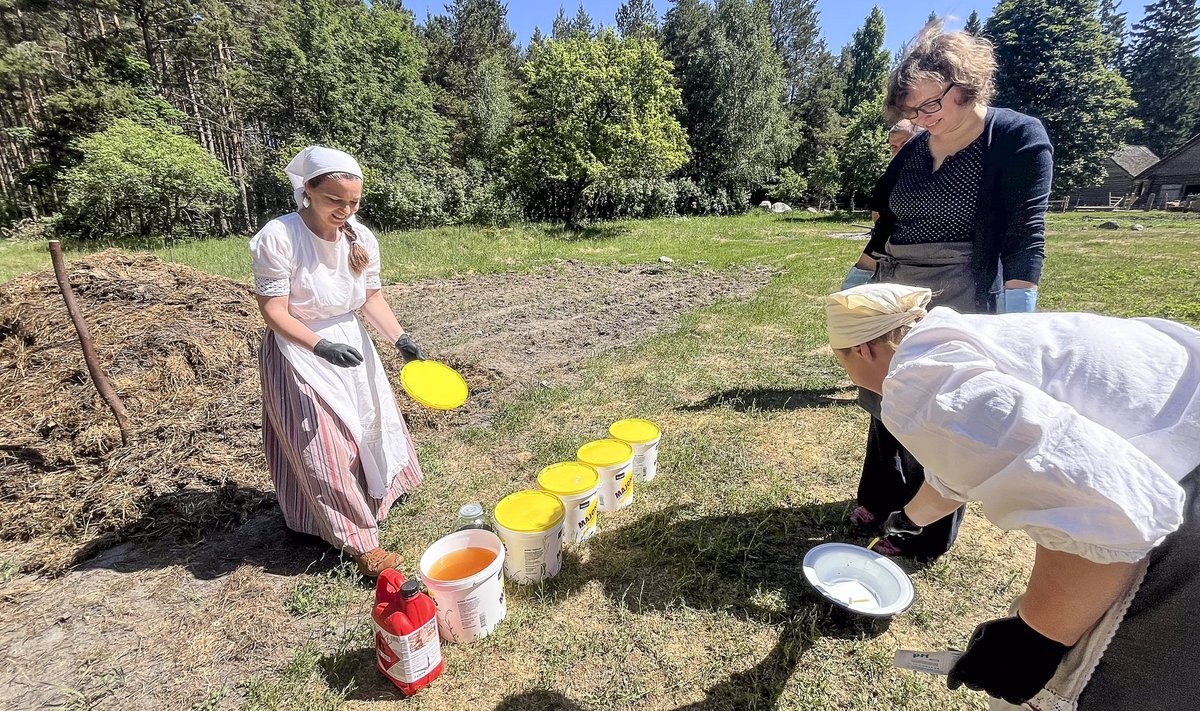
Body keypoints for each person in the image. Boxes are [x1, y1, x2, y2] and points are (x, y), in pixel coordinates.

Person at [824, 283, 1200, 709]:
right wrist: (912, 517)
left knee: (1089, 691)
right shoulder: (967, 338)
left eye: (841, 361)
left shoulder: (915, 379)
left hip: (1181, 513)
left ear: (863, 351)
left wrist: (1036, 636)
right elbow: (980, 453)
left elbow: (1106, 508)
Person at [840, 22, 1055, 560]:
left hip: (960, 284)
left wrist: (1017, 319)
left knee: (938, 408)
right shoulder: (914, 149)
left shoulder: (1015, 138)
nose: (920, 119)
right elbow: (886, 223)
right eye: (912, 113)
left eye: (930, 106)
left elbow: (1025, 235)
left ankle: (923, 528)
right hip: (894, 288)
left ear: (967, 84)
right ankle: (879, 495)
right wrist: (859, 277)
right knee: (885, 394)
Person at [249, 146, 429, 577]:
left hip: (351, 343)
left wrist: (399, 337)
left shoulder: (360, 237)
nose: (346, 210)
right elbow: (274, 311)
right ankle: (359, 542)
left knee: (366, 423)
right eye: (335, 201)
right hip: (299, 349)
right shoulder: (279, 237)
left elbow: (372, 298)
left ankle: (375, 496)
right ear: (308, 190)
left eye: (353, 202)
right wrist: (319, 346)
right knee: (323, 447)